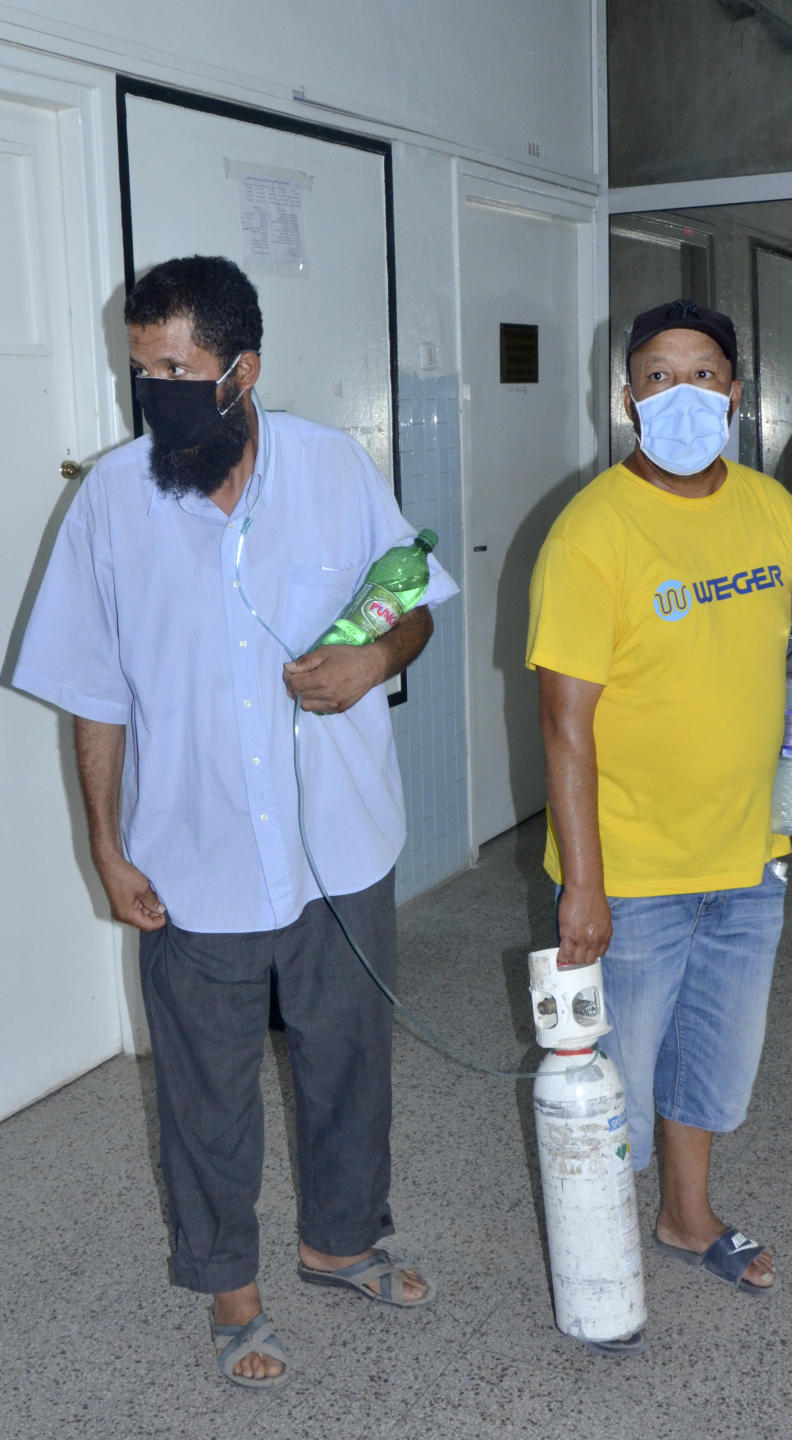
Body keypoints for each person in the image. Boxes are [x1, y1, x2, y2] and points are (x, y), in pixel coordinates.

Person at [13, 255, 458, 1389]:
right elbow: (92, 692)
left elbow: (411, 611)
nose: (156, 389)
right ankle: (231, 1288)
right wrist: (106, 849)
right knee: (204, 1087)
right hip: (190, 855)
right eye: (141, 368)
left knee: (349, 1063)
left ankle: (340, 1242)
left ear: (243, 372)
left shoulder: (333, 469)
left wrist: (372, 661)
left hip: (341, 843)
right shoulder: (110, 499)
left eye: (180, 368)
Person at [526, 298, 792, 1301]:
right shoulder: (591, 532)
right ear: (627, 401)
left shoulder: (772, 509)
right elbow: (565, 725)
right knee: (608, 1083)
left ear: (735, 396)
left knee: (713, 1060)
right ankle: (599, 1262)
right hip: (633, 870)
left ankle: (684, 1214)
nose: (682, 393)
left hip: (748, 855)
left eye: (703, 374)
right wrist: (584, 885)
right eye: (659, 377)